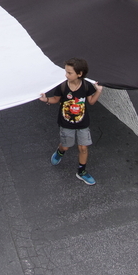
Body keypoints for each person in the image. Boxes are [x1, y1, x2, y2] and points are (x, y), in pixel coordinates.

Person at [38, 58, 104, 186]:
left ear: (79, 74)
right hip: (66, 124)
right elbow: (56, 99)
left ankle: (81, 172)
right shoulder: (62, 86)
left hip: (82, 123)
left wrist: (98, 91)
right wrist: (46, 99)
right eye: (66, 72)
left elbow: (91, 101)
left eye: (69, 73)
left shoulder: (86, 86)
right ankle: (60, 151)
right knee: (66, 146)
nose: (66, 75)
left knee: (83, 148)